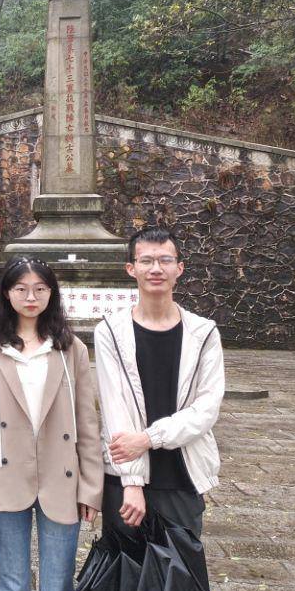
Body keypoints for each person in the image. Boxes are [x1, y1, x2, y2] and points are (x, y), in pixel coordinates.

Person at [0, 256, 102, 591]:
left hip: (62, 477)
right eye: (21, 289)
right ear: (6, 293)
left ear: (51, 293)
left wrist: (91, 488)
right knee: (12, 587)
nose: (31, 297)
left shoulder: (70, 348)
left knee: (58, 590)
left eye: (40, 289)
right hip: (4, 475)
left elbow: (87, 422)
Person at [94, 226, 225, 541]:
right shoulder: (110, 332)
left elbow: (206, 409)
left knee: (181, 567)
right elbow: (114, 407)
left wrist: (148, 438)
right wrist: (132, 482)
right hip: (125, 478)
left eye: (165, 260)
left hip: (182, 472)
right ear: (131, 269)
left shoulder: (204, 333)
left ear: (179, 268)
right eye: (146, 261)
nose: (156, 269)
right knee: (125, 568)